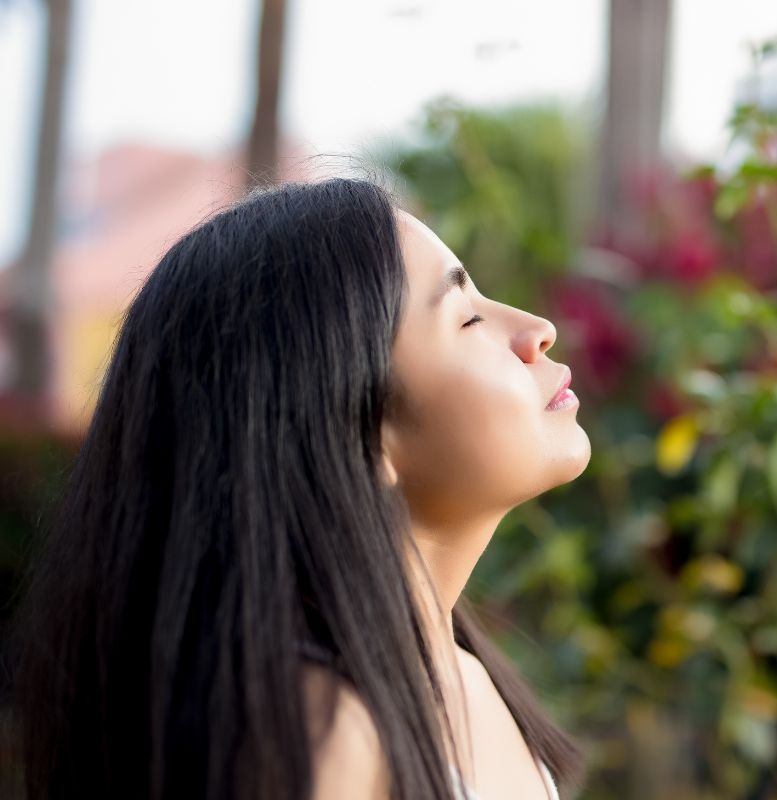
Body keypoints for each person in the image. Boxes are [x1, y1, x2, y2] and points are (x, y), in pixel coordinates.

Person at [11, 177, 591, 799]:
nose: (538, 330)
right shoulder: (322, 734)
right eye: (468, 318)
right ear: (353, 429)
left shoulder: (465, 676)